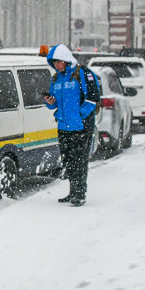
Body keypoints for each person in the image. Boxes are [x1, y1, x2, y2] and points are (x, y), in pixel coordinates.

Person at [43, 44, 100, 206]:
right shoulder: (56, 79)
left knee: (80, 160)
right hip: (63, 127)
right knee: (68, 160)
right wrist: (50, 102)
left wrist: (79, 117)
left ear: (66, 60)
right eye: (54, 63)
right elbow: (53, 103)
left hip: (81, 127)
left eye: (58, 62)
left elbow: (92, 99)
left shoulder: (83, 73)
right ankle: (73, 191)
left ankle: (80, 193)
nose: (56, 65)